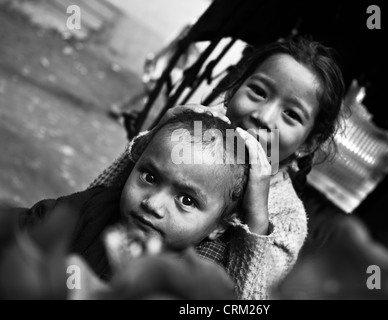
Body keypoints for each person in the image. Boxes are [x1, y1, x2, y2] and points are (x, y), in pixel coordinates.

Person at [91, 36, 346, 299]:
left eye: (291, 114)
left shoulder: (287, 218)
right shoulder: (194, 137)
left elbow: (249, 300)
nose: (263, 116)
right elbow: (97, 199)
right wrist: (154, 137)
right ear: (233, 91)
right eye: (258, 92)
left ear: (309, 143)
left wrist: (257, 214)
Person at [14, 111, 249, 283]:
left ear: (219, 226)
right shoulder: (95, 207)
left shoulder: (192, 288)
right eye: (149, 177)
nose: (152, 204)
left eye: (186, 201)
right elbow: (24, 232)